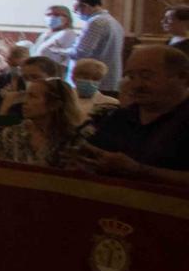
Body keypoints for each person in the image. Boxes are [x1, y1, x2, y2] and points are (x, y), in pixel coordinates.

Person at [74, 46, 189, 187]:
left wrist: (139, 171)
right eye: (131, 76)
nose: (136, 85)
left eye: (146, 76)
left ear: (183, 77)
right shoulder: (119, 118)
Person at [0, 78, 87, 168]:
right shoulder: (12, 134)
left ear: (54, 105)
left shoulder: (72, 139)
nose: (24, 101)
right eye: (25, 95)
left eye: (32, 97)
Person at [72, 0, 126, 91]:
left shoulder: (96, 22)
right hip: (110, 76)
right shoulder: (113, 21)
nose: (75, 13)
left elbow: (81, 52)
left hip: (94, 79)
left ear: (84, 6)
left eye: (76, 9)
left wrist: (60, 52)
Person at [37, 5, 82, 69]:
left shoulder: (68, 33)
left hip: (54, 71)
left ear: (67, 18)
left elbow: (67, 58)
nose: (51, 17)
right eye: (48, 14)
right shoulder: (44, 34)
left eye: (57, 15)